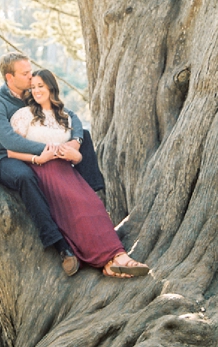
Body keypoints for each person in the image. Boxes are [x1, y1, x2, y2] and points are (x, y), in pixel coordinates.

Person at [8, 69, 149, 278]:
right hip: (41, 170)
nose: (37, 90)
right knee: (77, 209)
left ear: (51, 87)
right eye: (33, 87)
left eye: (41, 86)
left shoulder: (66, 116)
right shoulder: (23, 116)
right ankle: (107, 258)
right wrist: (37, 159)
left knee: (93, 205)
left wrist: (74, 155)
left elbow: (77, 150)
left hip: (66, 170)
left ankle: (117, 258)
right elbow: (10, 151)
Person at [0, 51, 101, 277]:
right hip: (3, 159)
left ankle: (94, 199)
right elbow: (8, 141)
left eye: (30, 71)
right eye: (25, 73)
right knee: (25, 176)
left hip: (41, 150)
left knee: (83, 135)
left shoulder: (31, 92)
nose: (31, 77)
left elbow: (67, 113)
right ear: (10, 78)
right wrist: (52, 149)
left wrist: (73, 141)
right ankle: (58, 245)